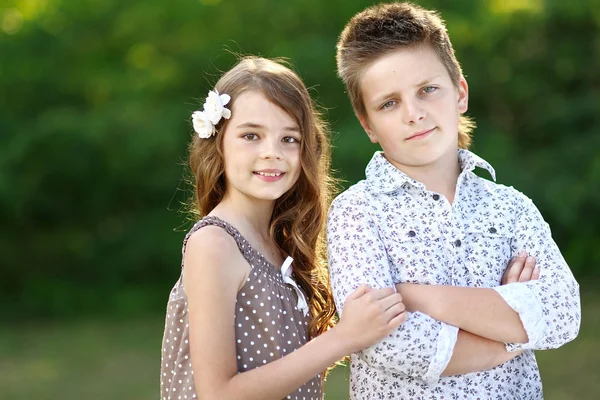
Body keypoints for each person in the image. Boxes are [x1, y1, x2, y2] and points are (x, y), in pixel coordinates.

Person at [327, 2, 581, 399]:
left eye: (427, 90)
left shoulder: (511, 208)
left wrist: (417, 296)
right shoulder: (357, 212)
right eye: (389, 103)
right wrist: (510, 330)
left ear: (459, 93)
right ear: (367, 124)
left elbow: (563, 313)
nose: (414, 113)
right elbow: (387, 342)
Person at [159, 56, 408, 400]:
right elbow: (218, 394)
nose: (271, 153)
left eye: (289, 139)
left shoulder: (281, 244)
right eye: (251, 136)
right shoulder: (215, 243)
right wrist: (344, 337)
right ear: (218, 143)